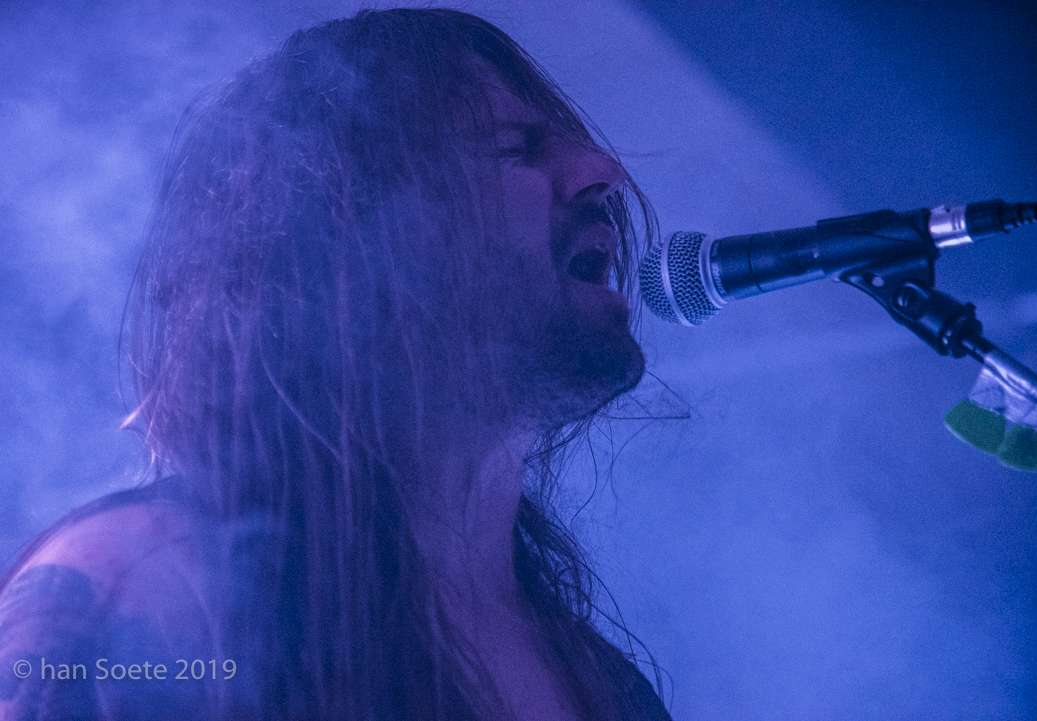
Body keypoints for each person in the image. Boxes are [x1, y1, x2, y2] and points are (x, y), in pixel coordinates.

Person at [0, 8, 670, 721]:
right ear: (354, 237)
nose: (603, 171)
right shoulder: (151, 587)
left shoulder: (606, 686)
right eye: (516, 148)